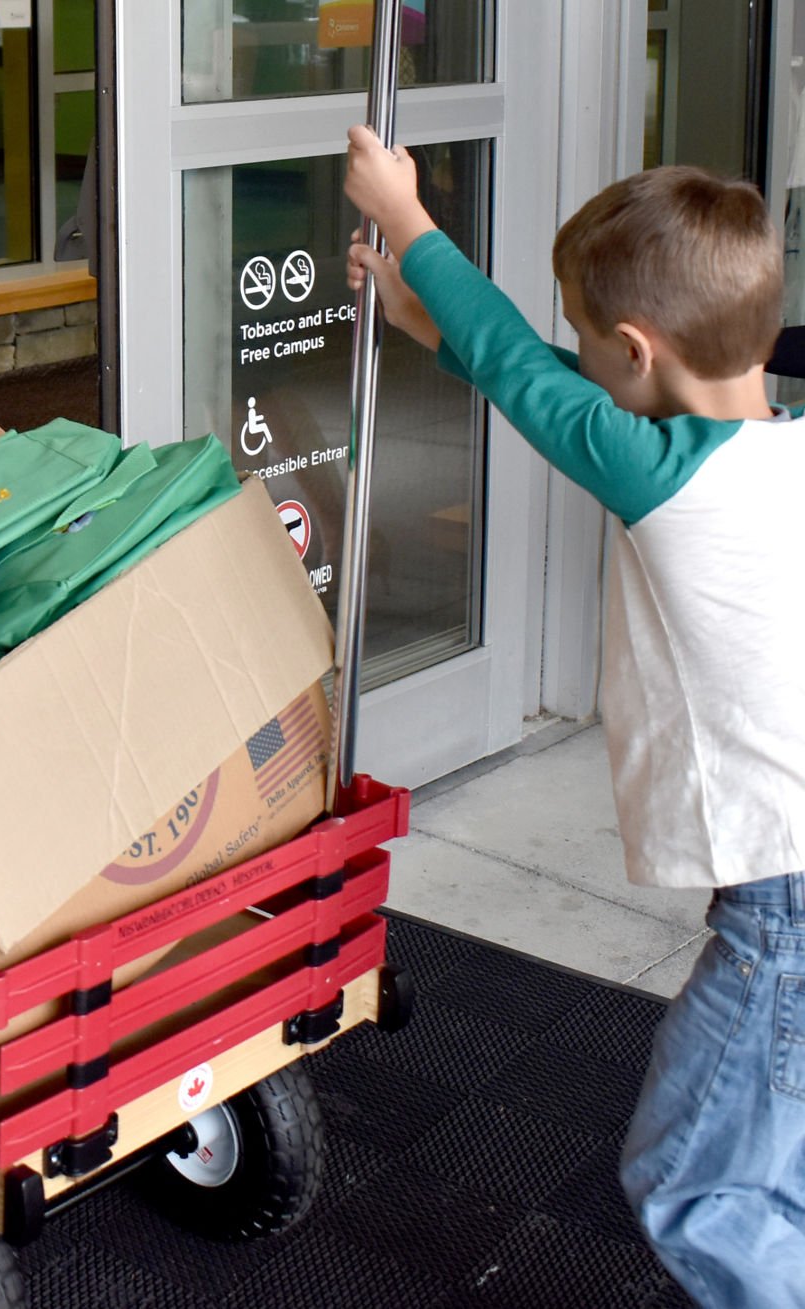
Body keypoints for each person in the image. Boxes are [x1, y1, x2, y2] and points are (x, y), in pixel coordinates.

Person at [343, 123, 805, 1308]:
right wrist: (425, 324)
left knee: (690, 1182)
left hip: (788, 909)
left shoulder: (670, 481)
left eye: (600, 349)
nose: (588, 371)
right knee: (773, 1147)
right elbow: (531, 376)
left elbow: (521, 368)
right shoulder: (773, 456)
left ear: (641, 351)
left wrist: (409, 219)